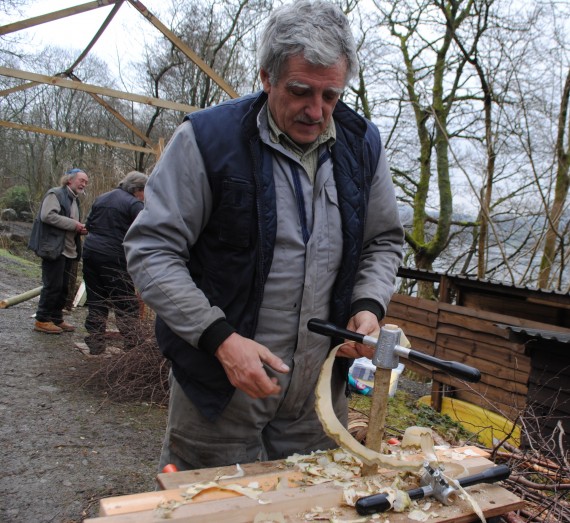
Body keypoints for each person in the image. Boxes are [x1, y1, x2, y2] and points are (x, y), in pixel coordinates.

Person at [124, 0, 404, 471]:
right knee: (208, 505)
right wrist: (220, 340)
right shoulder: (207, 141)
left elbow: (383, 241)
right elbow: (152, 250)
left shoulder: (361, 145)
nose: (317, 111)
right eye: (300, 91)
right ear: (266, 77)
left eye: (331, 96)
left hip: (317, 396)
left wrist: (368, 306)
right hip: (220, 389)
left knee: (313, 508)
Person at [82, 171, 148, 355]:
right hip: (114, 257)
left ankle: (95, 343)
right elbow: (146, 231)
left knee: (96, 299)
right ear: (137, 190)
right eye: (145, 192)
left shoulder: (102, 198)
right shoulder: (134, 204)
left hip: (90, 252)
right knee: (125, 301)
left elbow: (88, 226)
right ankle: (133, 345)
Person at [29, 168, 89, 334]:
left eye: (86, 182)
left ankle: (56, 318)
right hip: (54, 248)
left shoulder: (74, 199)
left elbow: (68, 223)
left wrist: (80, 229)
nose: (84, 184)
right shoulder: (55, 194)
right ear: (69, 180)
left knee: (63, 287)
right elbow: (47, 216)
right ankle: (42, 319)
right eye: (81, 180)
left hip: (68, 249)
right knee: (52, 285)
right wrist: (74, 225)